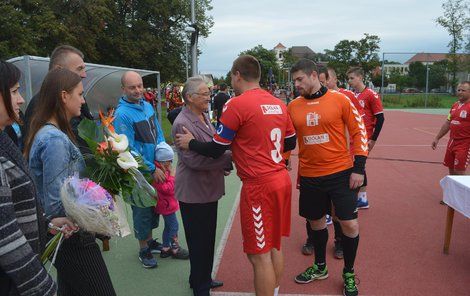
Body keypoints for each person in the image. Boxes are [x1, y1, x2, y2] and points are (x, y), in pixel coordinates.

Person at [175, 55, 297, 296]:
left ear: (237, 75)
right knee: (274, 246)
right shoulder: (278, 103)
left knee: (258, 255)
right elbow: (290, 141)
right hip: (280, 178)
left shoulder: (237, 104)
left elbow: (216, 148)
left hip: (259, 184)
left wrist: (191, 143)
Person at [25, 68, 116, 295]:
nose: (83, 100)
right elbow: (57, 204)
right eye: (80, 94)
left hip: (67, 237)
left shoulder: (49, 133)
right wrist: (97, 210)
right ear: (64, 96)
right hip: (71, 237)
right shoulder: (54, 139)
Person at [288, 59, 368, 296]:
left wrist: (359, 168)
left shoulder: (340, 99)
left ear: (314, 75)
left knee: (349, 224)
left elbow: (359, 131)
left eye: (300, 79)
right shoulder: (293, 106)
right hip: (311, 175)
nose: (296, 84)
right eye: (294, 80)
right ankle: (320, 267)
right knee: (316, 223)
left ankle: (349, 273)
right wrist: (282, 160)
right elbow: (286, 137)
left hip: (341, 173)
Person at [0, 61, 58, 296]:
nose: (21, 99)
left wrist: (46, 225)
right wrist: (42, 287)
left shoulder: (4, 139)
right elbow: (6, 235)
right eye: (14, 91)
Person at [172, 77, 232, 296]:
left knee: (206, 239)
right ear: (190, 97)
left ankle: (200, 278)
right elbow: (193, 161)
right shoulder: (182, 122)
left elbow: (209, 147)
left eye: (209, 93)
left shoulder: (203, 115)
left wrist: (220, 162)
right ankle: (201, 287)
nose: (209, 97)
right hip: (194, 191)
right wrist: (227, 160)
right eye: (204, 94)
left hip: (207, 189)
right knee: (199, 242)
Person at [113, 71, 166, 268]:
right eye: (132, 87)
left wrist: (162, 158)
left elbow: (159, 132)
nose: (137, 90)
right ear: (123, 89)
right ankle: (143, 248)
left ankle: (150, 242)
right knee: (142, 209)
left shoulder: (147, 105)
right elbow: (128, 148)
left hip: (155, 168)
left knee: (153, 207)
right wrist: (151, 168)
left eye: (140, 86)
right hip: (138, 173)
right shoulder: (122, 114)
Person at [23, 45, 93, 155]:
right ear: (58, 70)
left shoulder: (77, 100)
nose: (84, 75)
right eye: (79, 69)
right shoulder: (40, 104)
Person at [347, 66, 384, 209]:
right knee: (359, 166)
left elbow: (380, 118)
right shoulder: (351, 95)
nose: (349, 81)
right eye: (348, 79)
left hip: (364, 137)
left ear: (361, 77)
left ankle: (355, 200)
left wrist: (373, 139)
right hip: (353, 137)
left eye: (352, 78)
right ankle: (362, 198)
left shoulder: (371, 95)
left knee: (355, 166)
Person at [153, 142, 189, 260]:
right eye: (170, 161)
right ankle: (175, 249)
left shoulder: (163, 170)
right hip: (166, 206)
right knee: (174, 226)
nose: (171, 164)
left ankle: (165, 248)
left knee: (168, 227)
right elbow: (167, 189)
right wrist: (173, 176)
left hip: (167, 204)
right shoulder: (160, 173)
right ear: (163, 161)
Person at [432, 81, 470, 178]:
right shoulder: (455, 105)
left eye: (463, 90)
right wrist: (437, 138)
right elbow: (448, 123)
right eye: (458, 90)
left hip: (465, 143)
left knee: (460, 171)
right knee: (451, 168)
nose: (460, 92)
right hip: (452, 141)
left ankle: (466, 192)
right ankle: (455, 193)